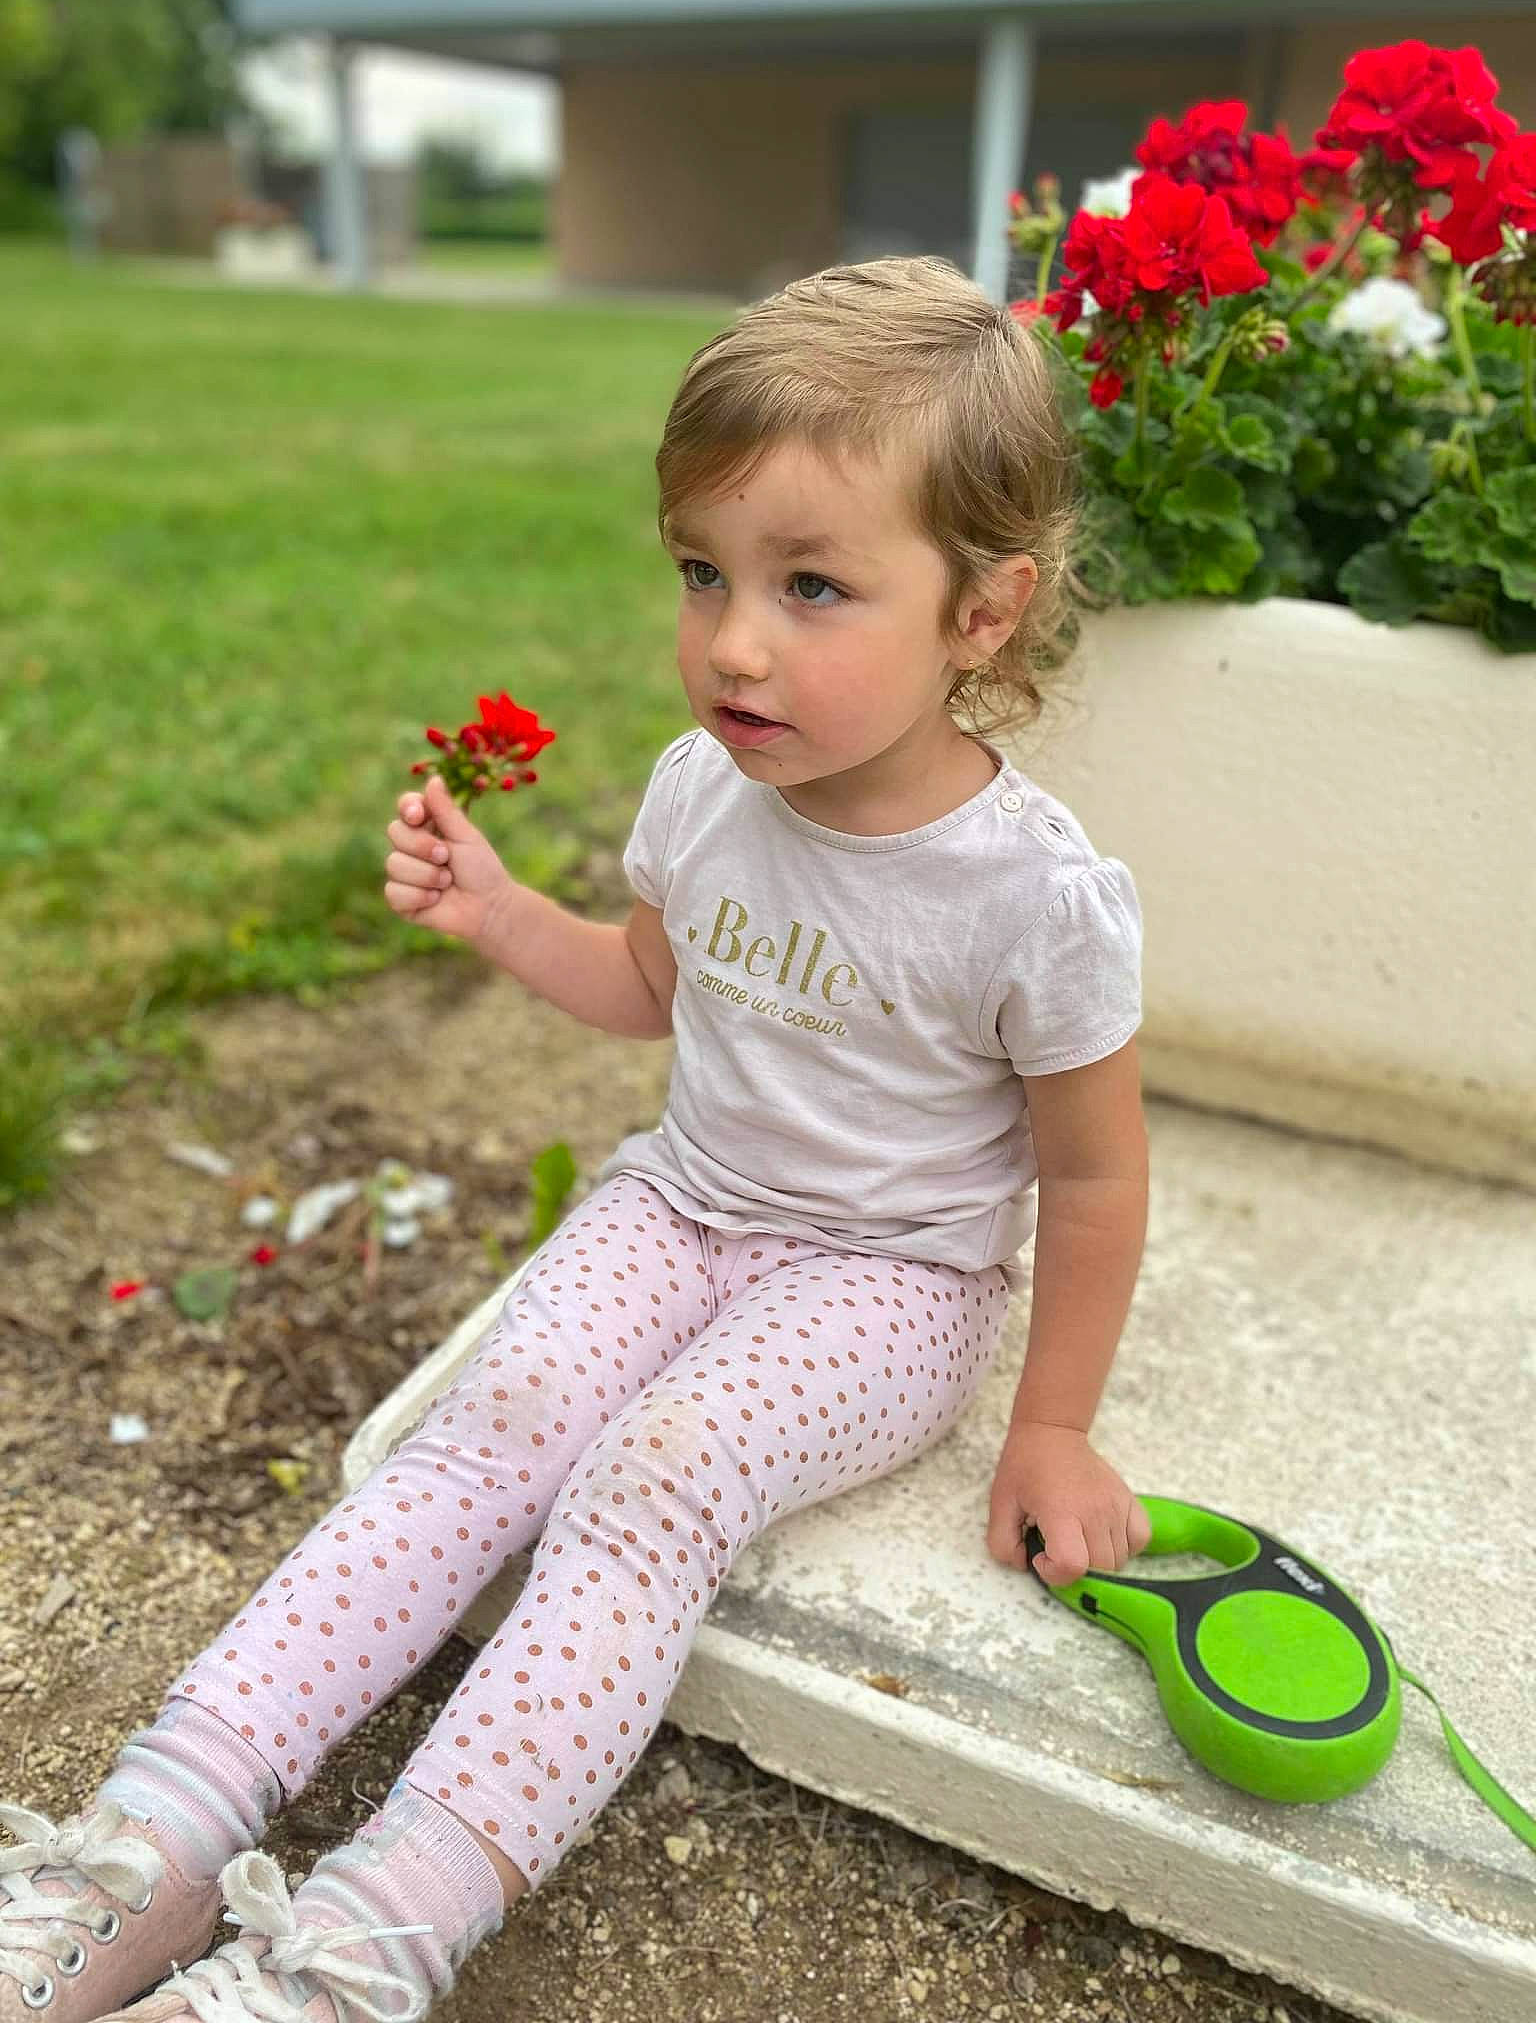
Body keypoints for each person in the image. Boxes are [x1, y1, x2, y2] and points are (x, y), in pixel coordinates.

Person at [0, 254, 1152, 2023]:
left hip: (888, 1280)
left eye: (814, 585)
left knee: (651, 1484)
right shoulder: (708, 791)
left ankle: (363, 1948)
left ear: (981, 617)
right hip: (686, 1205)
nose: (733, 640)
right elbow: (643, 989)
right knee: (494, 1427)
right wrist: (494, 911)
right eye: (704, 573)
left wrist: (1055, 1425)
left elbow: (1091, 1175)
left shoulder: (1034, 898)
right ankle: (140, 1849)